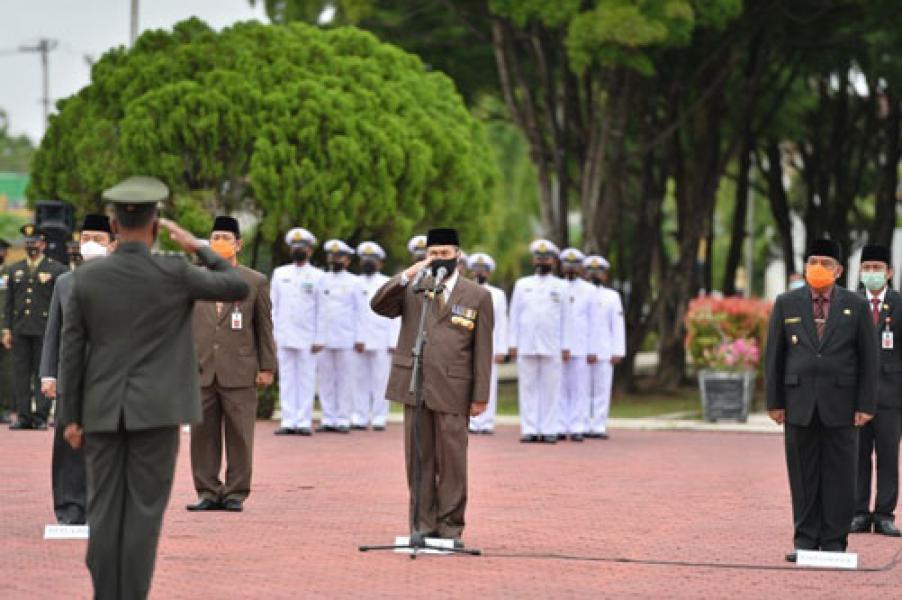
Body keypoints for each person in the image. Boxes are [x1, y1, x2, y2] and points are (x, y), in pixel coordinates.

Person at [59, 176, 249, 599]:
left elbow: (72, 352)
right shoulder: (175, 272)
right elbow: (238, 285)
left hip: (102, 411)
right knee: (143, 517)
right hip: (157, 412)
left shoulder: (87, 279)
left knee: (105, 512)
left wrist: (70, 417)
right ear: (155, 222)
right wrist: (195, 245)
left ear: (112, 223)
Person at [371, 227, 493, 545]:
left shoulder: (477, 295)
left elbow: (483, 351)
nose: (439, 259)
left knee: (452, 459)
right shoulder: (415, 288)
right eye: (433, 253)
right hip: (416, 384)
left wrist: (480, 396)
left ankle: (450, 526)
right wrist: (407, 274)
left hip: (455, 387)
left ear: (457, 255)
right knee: (418, 458)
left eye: (444, 253)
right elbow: (379, 304)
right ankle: (422, 524)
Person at [764, 238, 876, 563]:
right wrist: (775, 401)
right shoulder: (787, 303)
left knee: (840, 474)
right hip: (798, 402)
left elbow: (869, 360)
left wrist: (866, 404)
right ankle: (805, 540)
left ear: (839, 270)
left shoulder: (854, 306)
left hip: (843, 404)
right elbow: (775, 356)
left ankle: (834, 542)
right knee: (802, 474)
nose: (818, 268)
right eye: (813, 260)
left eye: (826, 263)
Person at [188, 216, 276, 513]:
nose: (219, 243)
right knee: (202, 435)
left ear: (238, 243)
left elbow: (264, 328)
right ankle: (207, 491)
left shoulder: (254, 281)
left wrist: (267, 367)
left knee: (240, 434)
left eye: (226, 237)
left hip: (239, 370)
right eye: (215, 238)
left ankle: (236, 491)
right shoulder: (193, 278)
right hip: (200, 368)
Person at [39, 214, 114, 525]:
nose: (91, 244)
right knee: (68, 445)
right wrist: (48, 374)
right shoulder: (65, 282)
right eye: (86, 238)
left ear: (113, 244)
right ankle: (70, 508)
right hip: (71, 376)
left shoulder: (123, 283)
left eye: (99, 239)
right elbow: (53, 330)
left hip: (110, 376)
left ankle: (104, 508)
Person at [850, 244, 901, 537]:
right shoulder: (851, 303)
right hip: (857, 396)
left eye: (877, 268)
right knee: (858, 454)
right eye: (867, 268)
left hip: (891, 395)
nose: (871, 273)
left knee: (887, 455)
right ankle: (858, 512)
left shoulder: (899, 303)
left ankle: (883, 514)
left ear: (889, 273)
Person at [2, 223, 67, 430]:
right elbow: (8, 302)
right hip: (20, 328)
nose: (31, 245)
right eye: (28, 242)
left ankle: (40, 415)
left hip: (43, 329)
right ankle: (23, 416)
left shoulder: (56, 269)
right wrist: (6, 329)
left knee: (43, 371)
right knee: (20, 374)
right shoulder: (15, 270)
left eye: (35, 242)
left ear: (44, 244)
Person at [509, 239, 572, 444]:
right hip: (527, 344)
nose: (542, 261)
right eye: (538, 257)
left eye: (546, 258)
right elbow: (515, 316)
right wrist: (512, 343)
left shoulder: (562, 286)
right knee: (528, 388)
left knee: (551, 389)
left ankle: (549, 429)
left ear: (553, 261)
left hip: (552, 345)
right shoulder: (522, 284)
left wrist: (566, 345)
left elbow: (566, 318)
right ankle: (529, 429)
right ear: (534, 260)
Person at [271, 227, 323, 436]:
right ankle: (288, 420)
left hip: (308, 336)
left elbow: (322, 310)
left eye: (302, 247)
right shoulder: (280, 273)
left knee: (306, 378)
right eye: (294, 246)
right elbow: (273, 306)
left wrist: (320, 337)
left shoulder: (318, 276)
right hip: (284, 334)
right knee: (287, 378)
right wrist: (272, 335)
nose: (298, 250)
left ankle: (302, 421)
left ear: (310, 250)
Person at [315, 240, 363, 433]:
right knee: (325, 379)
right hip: (324, 338)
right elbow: (316, 310)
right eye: (331, 256)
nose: (334, 259)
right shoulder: (321, 280)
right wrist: (316, 337)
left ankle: (343, 418)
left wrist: (360, 337)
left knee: (345, 379)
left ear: (347, 260)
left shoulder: (355, 282)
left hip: (347, 338)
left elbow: (361, 312)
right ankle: (328, 417)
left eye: (339, 256)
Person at [353, 241, 398, 431]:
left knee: (381, 381)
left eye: (372, 259)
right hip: (359, 341)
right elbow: (351, 313)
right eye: (365, 259)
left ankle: (379, 417)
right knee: (359, 380)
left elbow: (396, 313)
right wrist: (356, 338)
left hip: (382, 339)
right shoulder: (355, 282)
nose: (368, 262)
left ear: (380, 262)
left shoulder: (388, 282)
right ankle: (360, 416)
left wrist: (393, 341)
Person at [557, 248, 597, 442]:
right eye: (567, 264)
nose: (570, 268)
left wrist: (593, 349)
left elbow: (593, 322)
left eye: (574, 265)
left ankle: (578, 426)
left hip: (582, 346)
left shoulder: (589, 290)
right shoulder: (556, 286)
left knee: (580, 388)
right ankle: (561, 425)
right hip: (558, 347)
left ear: (580, 268)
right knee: (560, 388)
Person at [584, 255, 626, 439]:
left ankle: (598, 425)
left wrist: (618, 350)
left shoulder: (612, 296)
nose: (595, 275)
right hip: (581, 352)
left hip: (604, 350)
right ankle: (582, 424)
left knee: (602, 390)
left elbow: (617, 325)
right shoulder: (578, 294)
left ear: (605, 276)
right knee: (582, 390)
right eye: (592, 272)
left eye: (599, 272)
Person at [466, 252, 507, 434]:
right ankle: (471, 422)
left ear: (489, 273)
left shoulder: (497, 294)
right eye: (476, 269)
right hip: (466, 345)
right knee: (466, 383)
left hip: (490, 345)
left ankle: (487, 422)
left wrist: (501, 348)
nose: (479, 273)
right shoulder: (463, 291)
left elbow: (502, 323)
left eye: (483, 270)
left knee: (489, 383)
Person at [0, 238, 13, 424]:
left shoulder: (11, 273)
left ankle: (5, 407)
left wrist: (7, 329)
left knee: (6, 372)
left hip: (5, 331)